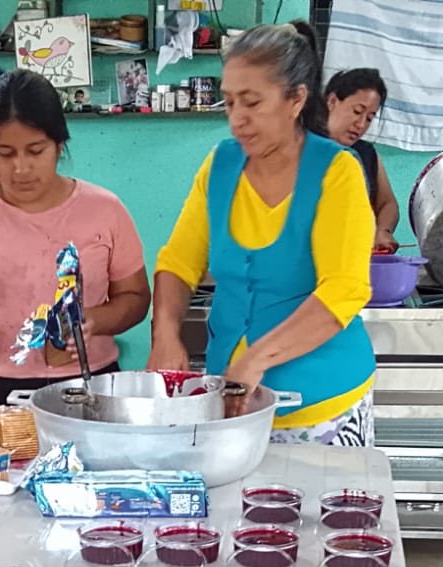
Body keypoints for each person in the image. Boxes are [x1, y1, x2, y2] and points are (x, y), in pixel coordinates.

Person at [150, 22, 376, 445]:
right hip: (232, 403)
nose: (237, 119)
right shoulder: (220, 165)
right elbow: (178, 261)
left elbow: (343, 288)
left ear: (296, 99)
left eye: (252, 102)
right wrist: (164, 332)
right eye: (230, 101)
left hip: (322, 407)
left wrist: (256, 359)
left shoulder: (336, 172)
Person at [0, 70, 150, 418]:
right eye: (5, 153)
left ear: (59, 144)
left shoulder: (105, 211)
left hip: (90, 387)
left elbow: (136, 298)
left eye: (35, 150)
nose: (21, 168)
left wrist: (96, 320)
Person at [324, 67, 399, 253]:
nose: (361, 124)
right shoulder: (300, 148)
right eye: (357, 111)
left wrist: (382, 230)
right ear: (332, 101)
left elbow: (387, 204)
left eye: (369, 118)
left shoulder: (365, 154)